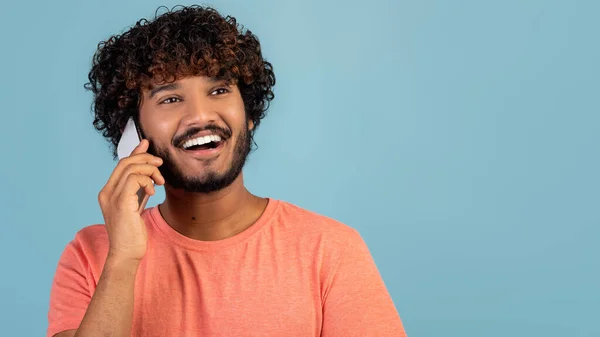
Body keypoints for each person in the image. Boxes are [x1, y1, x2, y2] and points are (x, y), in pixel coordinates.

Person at [47, 5, 406, 337]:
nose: (201, 115)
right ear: (133, 132)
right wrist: (123, 258)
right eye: (170, 99)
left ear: (249, 114)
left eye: (219, 90)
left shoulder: (331, 250)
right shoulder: (92, 255)